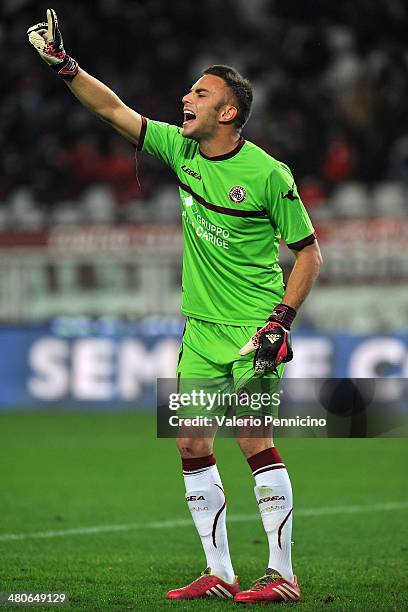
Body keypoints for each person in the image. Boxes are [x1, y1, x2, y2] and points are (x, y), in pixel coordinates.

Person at [28, 9, 323, 604]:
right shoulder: (181, 150)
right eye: (189, 90)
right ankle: (220, 573)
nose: (185, 98)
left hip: (253, 329)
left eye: (200, 92)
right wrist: (65, 66)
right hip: (200, 330)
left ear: (228, 111)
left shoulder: (268, 175)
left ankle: (283, 576)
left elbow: (310, 255)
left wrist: (281, 322)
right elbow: (113, 109)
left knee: (252, 438)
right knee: (191, 443)